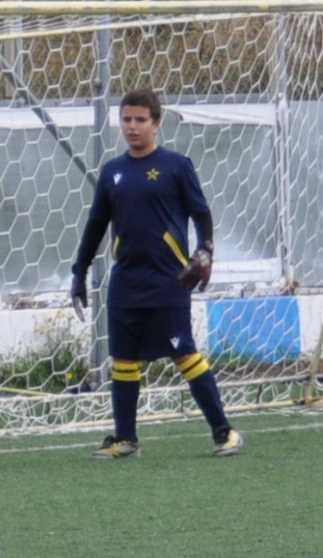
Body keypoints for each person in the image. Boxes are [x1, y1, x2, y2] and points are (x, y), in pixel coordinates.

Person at [70, 88, 244, 460]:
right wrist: (79, 272)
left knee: (184, 354)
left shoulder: (176, 166)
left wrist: (205, 250)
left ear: (156, 123)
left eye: (140, 120)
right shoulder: (112, 172)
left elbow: (201, 213)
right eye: (126, 119)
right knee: (123, 360)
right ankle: (125, 439)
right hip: (126, 282)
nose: (131, 127)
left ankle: (225, 431)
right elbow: (96, 225)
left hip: (169, 280)